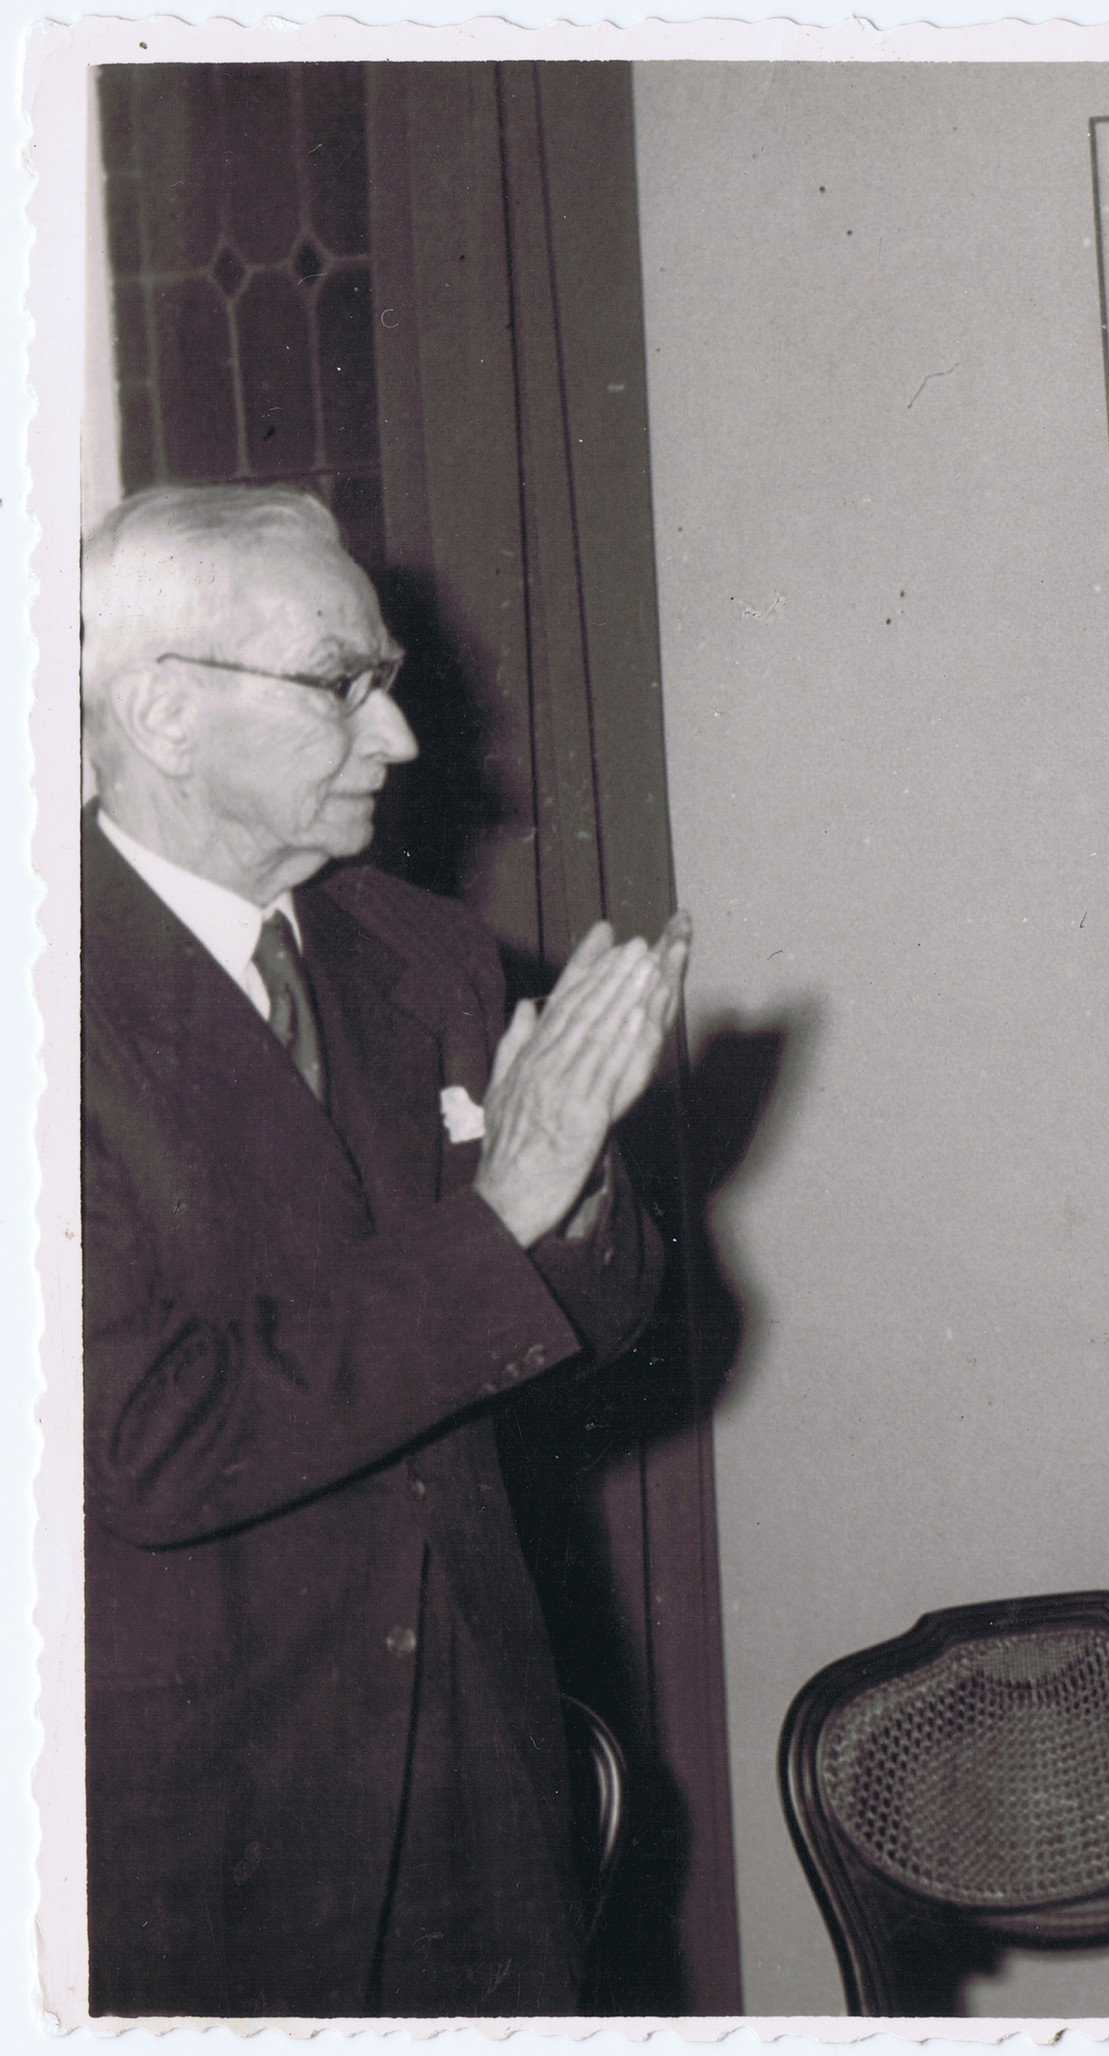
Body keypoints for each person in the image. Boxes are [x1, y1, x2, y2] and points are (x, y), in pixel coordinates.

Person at [79, 484, 692, 2015]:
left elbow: (602, 1322)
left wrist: (576, 1190)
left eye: (391, 683)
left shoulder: (423, 956)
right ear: (162, 711)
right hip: (196, 1830)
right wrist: (506, 1206)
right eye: (340, 684)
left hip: (478, 1783)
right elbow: (152, 1442)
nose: (401, 738)